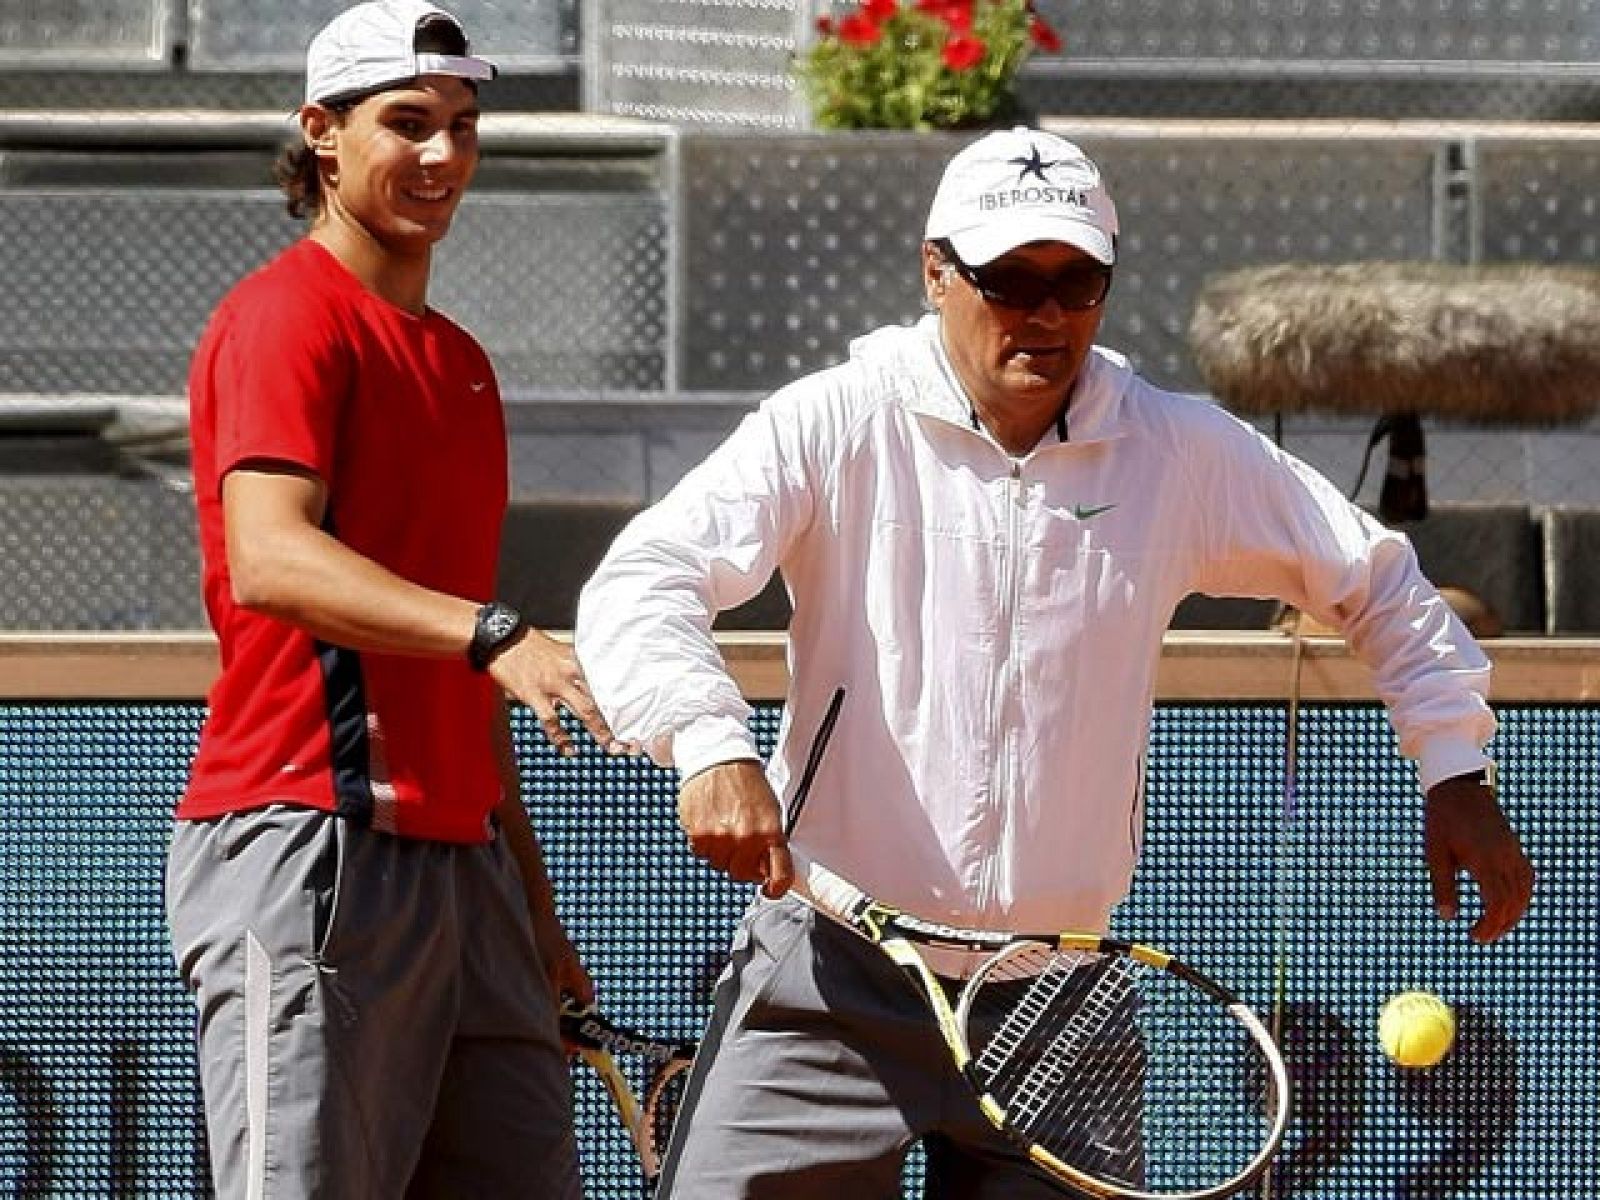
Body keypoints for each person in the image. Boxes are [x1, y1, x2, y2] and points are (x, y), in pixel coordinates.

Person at [573, 127, 1536, 1197]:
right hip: (831, 974)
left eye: (1077, 283)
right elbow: (644, 577)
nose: (1044, 312)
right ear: (935, 272)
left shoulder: (1175, 449)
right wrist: (709, 744)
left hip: (1060, 998)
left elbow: (1380, 583)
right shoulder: (835, 419)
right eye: (1009, 278)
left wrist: (1455, 767)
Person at [164, 2, 620, 1195]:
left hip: (464, 870)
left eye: (462, 126)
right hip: (309, 841)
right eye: (406, 123)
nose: (442, 155)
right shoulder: (281, 317)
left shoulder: (462, 361)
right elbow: (271, 558)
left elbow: (458, 667)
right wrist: (494, 632)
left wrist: (529, 904)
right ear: (321, 134)